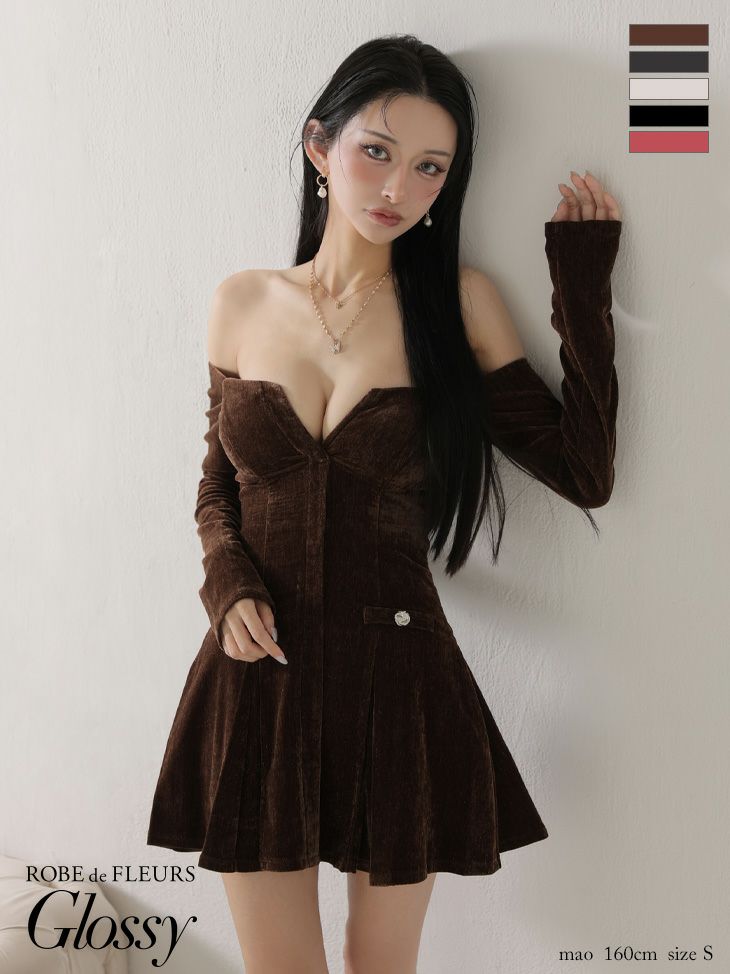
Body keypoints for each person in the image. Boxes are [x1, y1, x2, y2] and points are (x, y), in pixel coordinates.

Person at [147, 33, 622, 974]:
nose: (399, 186)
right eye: (378, 151)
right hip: (261, 674)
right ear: (320, 147)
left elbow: (584, 472)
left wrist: (582, 286)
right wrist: (226, 582)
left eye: (430, 166)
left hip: (399, 682)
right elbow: (217, 482)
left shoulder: (457, 305)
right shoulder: (243, 302)